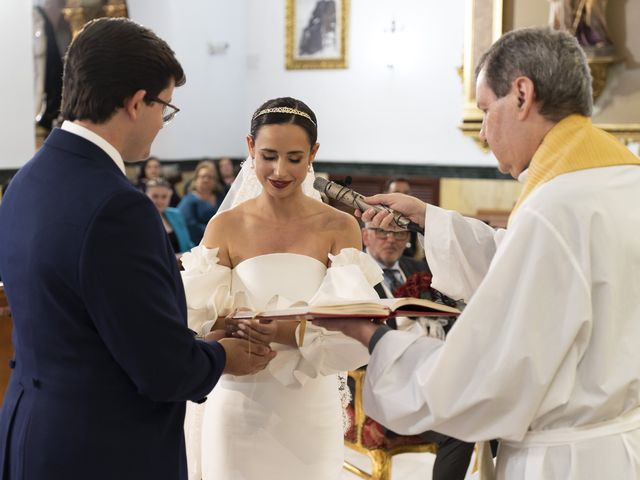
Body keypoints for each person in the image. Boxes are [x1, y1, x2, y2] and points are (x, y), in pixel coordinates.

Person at [315, 27, 640, 479]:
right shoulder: (621, 181)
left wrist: (372, 337)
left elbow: (484, 377)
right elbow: (527, 265)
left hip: (563, 461)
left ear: (522, 94)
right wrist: (428, 218)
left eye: (487, 108)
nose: (484, 130)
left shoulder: (554, 207)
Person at [0, 18, 274, 480]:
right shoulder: (118, 207)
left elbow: (90, 327)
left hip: (31, 430)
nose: (162, 124)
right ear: (134, 103)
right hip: (103, 449)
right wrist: (225, 355)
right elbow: (162, 371)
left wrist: (196, 344)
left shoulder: (26, 180)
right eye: (165, 108)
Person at [181, 97, 380, 480]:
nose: (279, 170)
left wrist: (294, 331)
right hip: (240, 402)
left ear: (313, 154)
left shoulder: (339, 227)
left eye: (294, 157)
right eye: (269, 155)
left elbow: (358, 332)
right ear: (250, 148)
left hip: (308, 410)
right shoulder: (226, 226)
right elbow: (193, 319)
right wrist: (235, 327)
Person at [362, 224, 474, 479]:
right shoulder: (355, 277)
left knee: (486, 406)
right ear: (365, 234)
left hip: (436, 370)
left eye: (400, 233)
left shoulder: (420, 270)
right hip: (388, 381)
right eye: (381, 232)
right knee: (458, 431)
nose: (391, 239)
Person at [178, 160, 224, 244]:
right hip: (200, 244)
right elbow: (190, 225)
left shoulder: (221, 198)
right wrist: (214, 232)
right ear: (196, 179)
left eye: (210, 177)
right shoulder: (188, 201)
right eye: (203, 176)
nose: (206, 180)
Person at [146, 177, 194, 257]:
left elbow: (188, 244)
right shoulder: (141, 219)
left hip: (183, 265)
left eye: (164, 197)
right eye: (155, 196)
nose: (160, 201)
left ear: (169, 197)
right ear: (146, 196)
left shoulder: (176, 214)